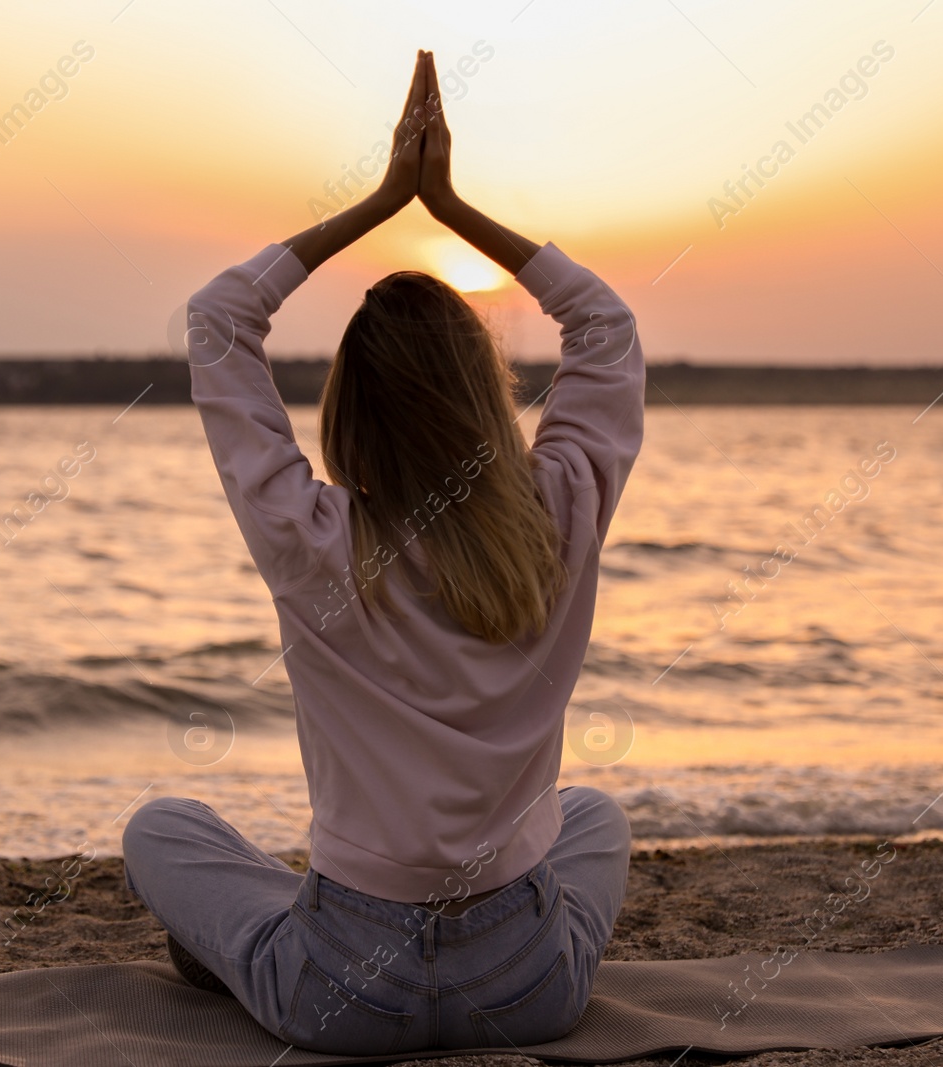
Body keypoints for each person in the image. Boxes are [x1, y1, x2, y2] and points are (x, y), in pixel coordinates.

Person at [123, 50, 645, 1055]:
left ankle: (246, 942)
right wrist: (448, 206)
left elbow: (218, 321)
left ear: (349, 409)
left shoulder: (310, 537)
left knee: (162, 827)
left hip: (342, 994)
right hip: (528, 984)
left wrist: (377, 203)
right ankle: (268, 928)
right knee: (595, 816)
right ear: (483, 398)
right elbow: (607, 329)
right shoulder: (558, 514)